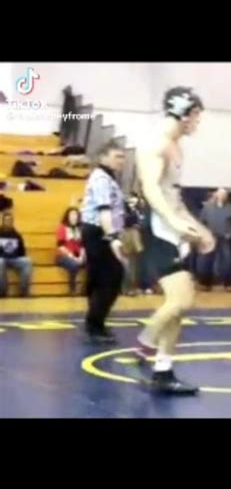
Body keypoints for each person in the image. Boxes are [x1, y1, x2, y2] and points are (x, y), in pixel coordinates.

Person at [136, 86, 215, 395]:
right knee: (181, 300)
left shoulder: (175, 145)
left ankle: (163, 370)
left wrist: (196, 227)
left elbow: (174, 196)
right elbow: (151, 189)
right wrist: (173, 224)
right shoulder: (156, 142)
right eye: (197, 116)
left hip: (170, 229)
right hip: (158, 231)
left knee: (179, 305)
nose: (198, 123)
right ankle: (143, 347)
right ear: (186, 113)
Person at [80, 140, 127, 344]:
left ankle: (96, 323)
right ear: (103, 157)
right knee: (112, 277)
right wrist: (112, 237)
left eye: (123, 157)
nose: (122, 161)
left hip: (101, 231)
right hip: (99, 232)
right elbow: (104, 210)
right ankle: (94, 324)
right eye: (117, 156)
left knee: (102, 278)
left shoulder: (109, 178)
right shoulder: (101, 178)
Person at [198, 188, 231, 292]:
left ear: (226, 196)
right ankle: (205, 284)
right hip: (210, 238)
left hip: (225, 238)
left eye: (224, 194)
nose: (221, 196)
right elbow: (201, 223)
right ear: (216, 195)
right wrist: (204, 235)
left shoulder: (230, 208)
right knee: (206, 261)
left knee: (227, 261)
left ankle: (228, 284)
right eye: (219, 194)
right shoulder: (207, 208)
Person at [0, 212, 33, 298]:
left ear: (12, 222)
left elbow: (22, 252)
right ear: (2, 221)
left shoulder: (17, 235)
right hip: (2, 259)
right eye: (6, 220)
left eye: (10, 220)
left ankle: (23, 291)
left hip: (15, 259)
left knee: (27, 261)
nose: (8, 222)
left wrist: (19, 257)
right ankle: (2, 291)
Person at [56, 207, 86, 296]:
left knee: (92, 263)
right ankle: (72, 289)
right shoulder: (62, 227)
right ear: (67, 216)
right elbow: (61, 246)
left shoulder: (80, 228)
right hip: (63, 255)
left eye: (76, 215)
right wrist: (73, 257)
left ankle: (86, 288)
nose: (74, 217)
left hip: (78, 255)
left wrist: (81, 257)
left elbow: (83, 245)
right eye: (72, 215)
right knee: (74, 265)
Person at [121, 193, 145, 296]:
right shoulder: (123, 209)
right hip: (127, 234)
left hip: (134, 234)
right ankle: (126, 288)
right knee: (126, 263)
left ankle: (133, 287)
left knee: (134, 264)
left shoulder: (137, 209)